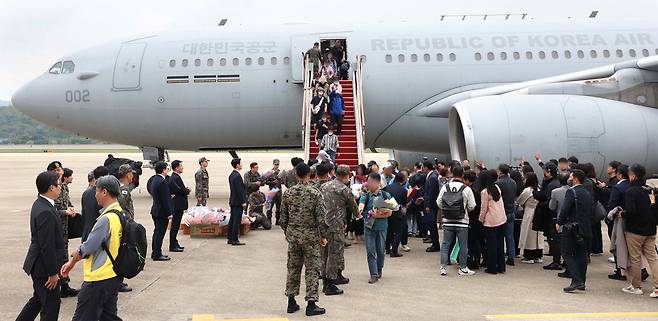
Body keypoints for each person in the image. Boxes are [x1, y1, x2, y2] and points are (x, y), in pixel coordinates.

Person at [60, 175, 124, 320]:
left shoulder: (106, 219)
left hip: (98, 278)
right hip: (113, 275)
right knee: (108, 317)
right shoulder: (120, 214)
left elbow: (87, 248)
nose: (95, 194)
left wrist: (71, 261)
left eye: (97, 191)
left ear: (105, 192)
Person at [281, 163, 328, 316]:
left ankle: (291, 301)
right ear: (309, 174)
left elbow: (283, 218)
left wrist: (289, 232)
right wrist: (323, 236)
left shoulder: (288, 193)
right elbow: (321, 218)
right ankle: (311, 303)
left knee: (293, 268)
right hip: (310, 238)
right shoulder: (315, 193)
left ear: (296, 174)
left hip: (293, 237)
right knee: (312, 269)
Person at [16, 172, 64, 321]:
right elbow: (47, 245)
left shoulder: (41, 204)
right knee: (51, 307)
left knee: (37, 300)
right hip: (44, 268)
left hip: (39, 265)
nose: (61, 187)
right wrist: (53, 273)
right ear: (51, 188)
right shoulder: (45, 211)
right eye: (59, 184)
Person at [620, 164, 658, 297]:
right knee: (653, 258)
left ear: (633, 176)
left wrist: (622, 214)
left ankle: (636, 286)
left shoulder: (631, 191)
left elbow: (631, 211)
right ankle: (657, 287)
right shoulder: (650, 190)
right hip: (651, 229)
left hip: (635, 230)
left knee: (635, 259)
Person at [320, 165, 358, 295]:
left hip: (324, 224)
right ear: (346, 176)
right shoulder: (344, 189)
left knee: (325, 253)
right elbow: (353, 206)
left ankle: (330, 276)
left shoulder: (324, 186)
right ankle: (330, 283)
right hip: (336, 225)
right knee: (334, 254)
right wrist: (358, 215)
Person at [47, 161, 79, 298]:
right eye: (56, 170)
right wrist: (65, 212)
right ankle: (59, 285)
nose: (59, 171)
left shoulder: (63, 187)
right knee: (58, 256)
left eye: (59, 169)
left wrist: (71, 208)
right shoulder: (50, 188)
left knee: (64, 256)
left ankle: (64, 285)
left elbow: (67, 202)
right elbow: (52, 210)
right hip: (56, 228)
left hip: (64, 229)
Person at [557, 169, 593, 293]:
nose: (569, 179)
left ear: (576, 178)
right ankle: (581, 282)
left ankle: (576, 280)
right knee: (581, 255)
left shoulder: (571, 192)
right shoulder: (587, 192)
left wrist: (559, 222)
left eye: (571, 177)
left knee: (566, 253)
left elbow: (565, 209)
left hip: (572, 227)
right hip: (585, 227)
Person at [438, 166, 477, 276]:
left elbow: (439, 202)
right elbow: (472, 206)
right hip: (462, 222)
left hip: (447, 221)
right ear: (463, 175)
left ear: (452, 174)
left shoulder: (445, 187)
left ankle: (443, 267)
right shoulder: (466, 189)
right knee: (463, 245)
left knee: (445, 244)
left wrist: (446, 209)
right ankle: (463, 268)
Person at [359, 173, 394, 284]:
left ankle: (379, 269)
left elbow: (390, 213)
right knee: (370, 251)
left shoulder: (386, 195)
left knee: (380, 250)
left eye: (370, 181)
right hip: (369, 226)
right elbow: (361, 205)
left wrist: (378, 215)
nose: (368, 184)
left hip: (382, 226)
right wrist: (359, 211)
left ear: (377, 182)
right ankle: (373, 274)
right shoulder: (366, 195)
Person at [479, 170, 507, 274]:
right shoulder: (497, 188)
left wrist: (481, 220)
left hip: (491, 221)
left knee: (491, 246)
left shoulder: (485, 192)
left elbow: (483, 208)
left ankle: (492, 268)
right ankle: (501, 267)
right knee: (500, 244)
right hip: (501, 219)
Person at [607, 164, 632, 280]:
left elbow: (612, 204)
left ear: (620, 174)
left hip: (619, 219)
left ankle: (620, 270)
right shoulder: (631, 185)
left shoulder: (618, 188)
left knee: (618, 245)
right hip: (630, 219)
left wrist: (609, 216)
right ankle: (640, 270)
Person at [546, 173, 570, 270]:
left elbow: (552, 207)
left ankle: (556, 262)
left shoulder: (555, 192)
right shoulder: (573, 190)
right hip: (571, 220)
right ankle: (567, 262)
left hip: (559, 218)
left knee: (557, 242)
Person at [517, 172, 544, 264]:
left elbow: (520, 200)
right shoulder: (539, 188)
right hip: (539, 212)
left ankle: (529, 256)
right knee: (538, 235)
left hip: (529, 212)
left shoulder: (527, 190)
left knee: (528, 234)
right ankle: (538, 255)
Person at [150, 161, 173, 261]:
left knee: (156, 232)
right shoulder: (162, 182)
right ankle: (157, 254)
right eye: (167, 169)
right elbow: (165, 200)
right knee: (160, 234)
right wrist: (169, 213)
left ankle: (154, 252)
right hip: (161, 212)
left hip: (155, 210)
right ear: (163, 170)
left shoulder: (155, 179)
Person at [496, 164, 517, 265]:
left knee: (499, 237)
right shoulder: (513, 182)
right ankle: (511, 257)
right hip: (511, 210)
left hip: (501, 212)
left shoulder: (498, 183)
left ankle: (499, 256)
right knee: (510, 236)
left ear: (500, 171)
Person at [384, 172, 409, 257]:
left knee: (389, 230)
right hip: (396, 211)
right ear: (403, 180)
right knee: (398, 232)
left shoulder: (387, 187)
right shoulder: (403, 190)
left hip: (387, 210)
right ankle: (394, 251)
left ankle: (387, 248)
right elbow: (404, 202)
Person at [464, 170, 484, 270]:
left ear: (467, 180)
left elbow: (471, 206)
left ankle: (473, 261)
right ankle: (477, 260)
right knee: (478, 240)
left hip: (472, 218)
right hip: (479, 219)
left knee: (472, 242)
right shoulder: (479, 188)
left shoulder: (470, 190)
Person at [82, 166, 109, 241]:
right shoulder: (104, 194)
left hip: (86, 233)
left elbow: (84, 215)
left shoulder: (86, 193)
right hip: (98, 235)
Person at [169, 160, 190, 252]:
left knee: (176, 225)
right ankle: (173, 244)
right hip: (178, 206)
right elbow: (180, 190)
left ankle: (174, 242)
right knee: (175, 225)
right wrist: (187, 191)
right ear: (176, 168)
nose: (182, 168)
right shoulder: (175, 177)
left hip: (178, 205)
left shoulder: (175, 177)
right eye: (181, 166)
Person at [422, 160, 441, 252]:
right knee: (430, 224)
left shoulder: (432, 177)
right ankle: (434, 243)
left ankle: (435, 244)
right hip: (429, 204)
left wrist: (428, 205)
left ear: (426, 167)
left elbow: (432, 193)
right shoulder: (431, 176)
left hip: (431, 206)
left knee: (432, 224)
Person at [228, 158, 247, 246]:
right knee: (236, 221)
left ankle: (230, 238)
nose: (241, 165)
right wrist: (243, 201)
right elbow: (239, 190)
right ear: (237, 165)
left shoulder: (232, 175)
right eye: (240, 163)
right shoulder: (237, 176)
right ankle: (234, 239)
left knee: (232, 220)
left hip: (233, 201)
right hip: (237, 202)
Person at [264, 159, 283, 225]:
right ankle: (269, 220)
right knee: (269, 207)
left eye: (278, 164)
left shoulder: (280, 172)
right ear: (273, 164)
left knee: (279, 208)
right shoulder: (269, 172)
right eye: (275, 164)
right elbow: (265, 182)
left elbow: (283, 181)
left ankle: (277, 220)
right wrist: (272, 182)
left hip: (278, 192)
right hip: (271, 191)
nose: (277, 166)